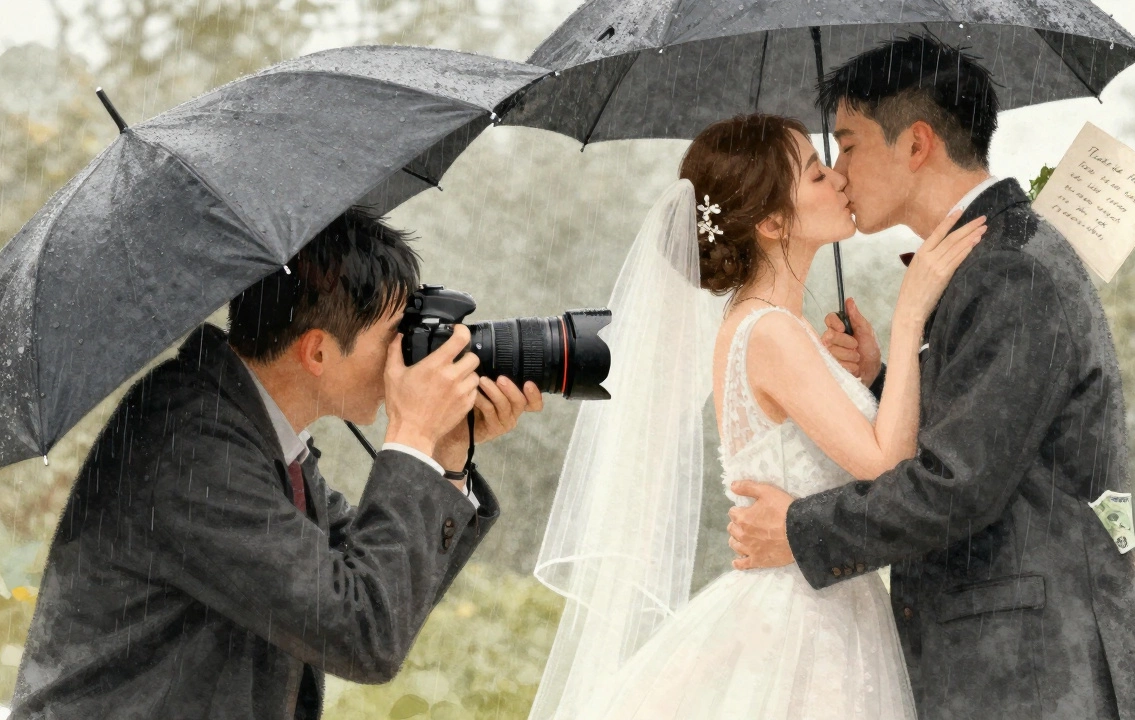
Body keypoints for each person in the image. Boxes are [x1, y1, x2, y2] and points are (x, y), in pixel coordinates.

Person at [728, 36, 1135, 719]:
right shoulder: (992, 259)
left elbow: (957, 486)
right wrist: (879, 382)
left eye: (847, 145)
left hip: (1034, 680)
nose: (839, 174)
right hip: (1012, 672)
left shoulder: (1013, 271)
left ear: (916, 144)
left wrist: (799, 530)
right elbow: (982, 431)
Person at [527, 113, 984, 720]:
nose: (840, 180)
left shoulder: (770, 327)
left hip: (823, 606)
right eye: (817, 174)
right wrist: (910, 317)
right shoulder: (770, 332)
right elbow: (887, 465)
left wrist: (873, 372)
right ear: (772, 223)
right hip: (805, 624)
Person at [12, 208, 542, 719]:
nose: (405, 358)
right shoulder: (192, 446)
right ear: (316, 353)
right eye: (392, 338)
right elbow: (361, 631)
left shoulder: (242, 422)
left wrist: (445, 453)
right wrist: (413, 435)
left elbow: (378, 586)